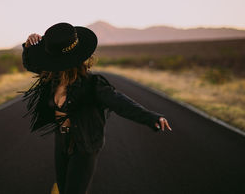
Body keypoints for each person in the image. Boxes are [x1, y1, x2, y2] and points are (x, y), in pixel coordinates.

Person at [21, 22, 172, 194]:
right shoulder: (52, 79)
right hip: (62, 143)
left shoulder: (92, 85)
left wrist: (151, 117)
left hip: (85, 146)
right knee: (63, 190)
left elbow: (120, 102)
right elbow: (31, 64)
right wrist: (28, 46)